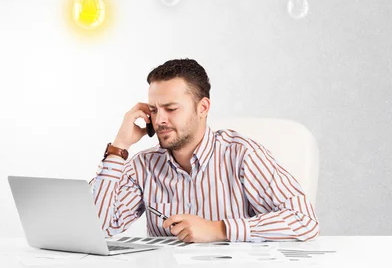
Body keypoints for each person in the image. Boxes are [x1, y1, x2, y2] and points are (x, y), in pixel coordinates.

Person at [90, 59, 319, 243]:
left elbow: (304, 221)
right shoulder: (143, 166)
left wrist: (218, 229)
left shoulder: (242, 155)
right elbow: (97, 228)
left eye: (171, 109)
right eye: (153, 110)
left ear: (203, 108)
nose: (159, 120)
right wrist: (119, 147)